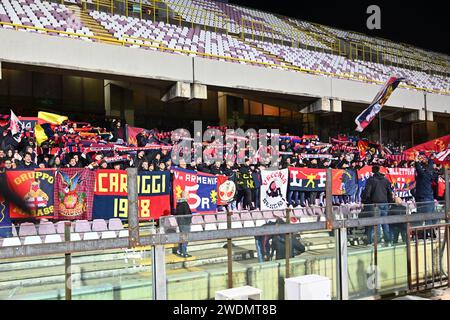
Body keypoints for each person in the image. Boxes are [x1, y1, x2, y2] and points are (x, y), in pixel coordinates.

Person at [361, 165, 394, 246]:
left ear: (372, 171)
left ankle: (377, 241)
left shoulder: (371, 180)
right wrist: (390, 202)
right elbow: (390, 192)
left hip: (375, 204)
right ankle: (388, 240)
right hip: (385, 203)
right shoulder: (386, 180)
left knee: (377, 223)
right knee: (385, 222)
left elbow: (367, 192)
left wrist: (364, 200)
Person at [415, 153, 439, 229]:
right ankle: (431, 234)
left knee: (423, 220)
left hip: (423, 199)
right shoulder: (431, 174)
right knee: (430, 219)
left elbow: (418, 168)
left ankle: (427, 234)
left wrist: (416, 159)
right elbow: (430, 167)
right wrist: (431, 160)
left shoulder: (423, 174)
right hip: (429, 198)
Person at [174, 190, 192, 258]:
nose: (189, 196)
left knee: (182, 237)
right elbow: (187, 214)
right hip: (185, 223)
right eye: (188, 194)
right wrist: (190, 218)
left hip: (181, 223)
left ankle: (180, 250)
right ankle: (184, 252)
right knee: (185, 237)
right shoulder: (184, 203)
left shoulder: (179, 203)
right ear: (184, 196)